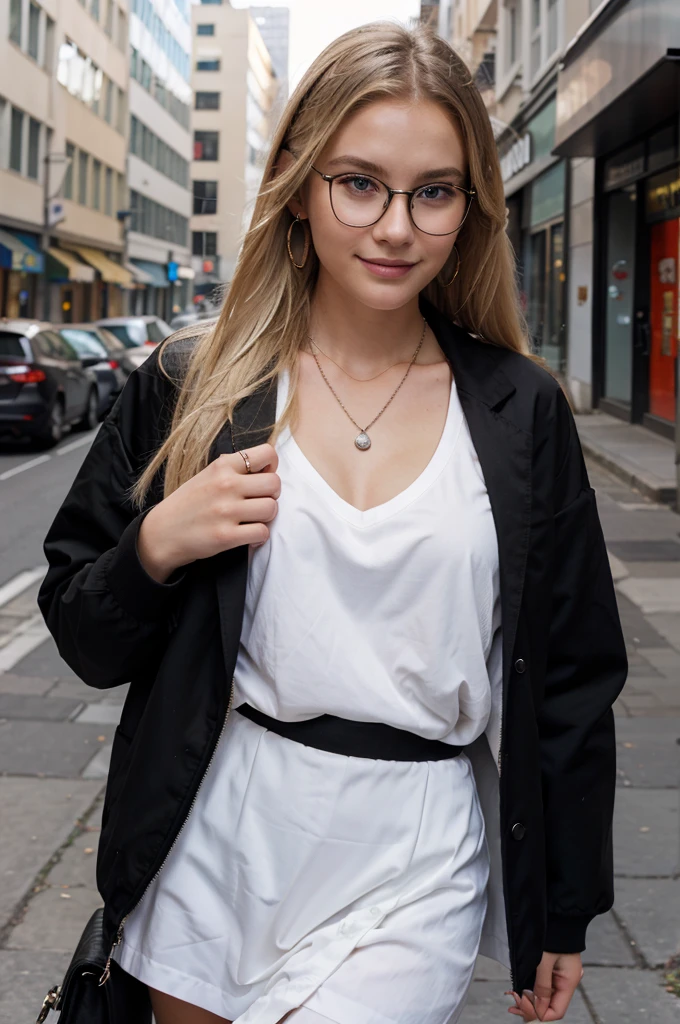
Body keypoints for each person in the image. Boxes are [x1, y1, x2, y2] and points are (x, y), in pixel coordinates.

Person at [38, 21, 628, 1024]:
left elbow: (572, 674)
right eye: (358, 182)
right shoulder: (197, 387)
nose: (395, 226)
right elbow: (85, 633)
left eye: (432, 191)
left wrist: (564, 907)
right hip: (219, 819)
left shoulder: (517, 408)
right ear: (300, 188)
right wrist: (155, 545)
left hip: (415, 839)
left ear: (468, 206)